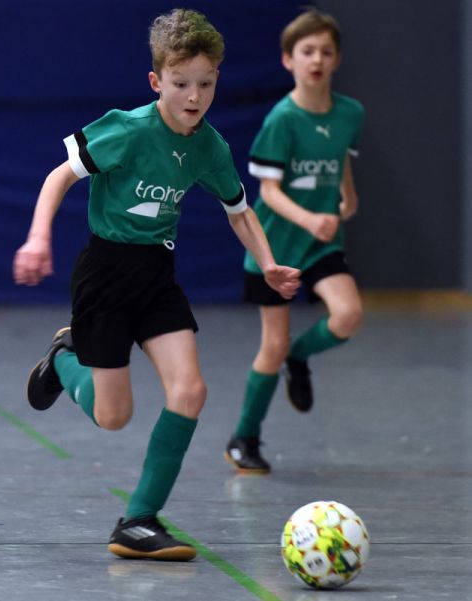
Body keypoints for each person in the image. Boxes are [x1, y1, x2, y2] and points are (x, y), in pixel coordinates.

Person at [13, 9, 300, 561]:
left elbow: (239, 210)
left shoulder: (209, 146)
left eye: (205, 84)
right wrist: (38, 237)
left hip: (157, 276)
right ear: (156, 81)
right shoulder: (128, 129)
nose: (194, 96)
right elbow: (59, 176)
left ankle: (138, 521)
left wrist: (268, 263)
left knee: (190, 391)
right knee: (113, 416)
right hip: (105, 276)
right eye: (181, 83)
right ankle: (63, 361)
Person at [224, 9, 363, 474]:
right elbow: (268, 192)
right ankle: (244, 438)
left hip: (322, 242)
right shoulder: (282, 119)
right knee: (272, 345)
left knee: (348, 315)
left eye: (325, 51)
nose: (316, 59)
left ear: (336, 59)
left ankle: (299, 356)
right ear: (288, 60)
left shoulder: (349, 113)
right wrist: (309, 218)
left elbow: (340, 157)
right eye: (307, 51)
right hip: (278, 246)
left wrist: (347, 196)